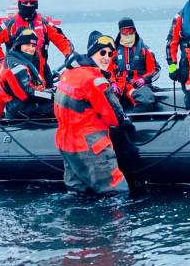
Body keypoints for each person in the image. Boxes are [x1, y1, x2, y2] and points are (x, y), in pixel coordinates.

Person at [53, 31, 132, 194]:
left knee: (77, 193)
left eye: (110, 54)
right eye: (102, 52)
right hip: (90, 146)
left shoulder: (67, 74)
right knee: (117, 192)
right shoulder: (95, 80)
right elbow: (114, 117)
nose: (106, 57)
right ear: (92, 52)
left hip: (66, 145)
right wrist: (125, 122)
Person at [0, 0, 74, 86]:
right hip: (18, 73)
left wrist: (69, 56)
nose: (28, 5)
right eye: (25, 3)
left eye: (31, 3)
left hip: (42, 72)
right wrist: (3, 61)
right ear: (20, 4)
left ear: (35, 4)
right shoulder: (9, 26)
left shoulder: (45, 25)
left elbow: (62, 40)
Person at [0, 29, 52, 119]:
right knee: (63, 105)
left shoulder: (20, 60)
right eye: (27, 45)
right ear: (19, 45)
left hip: (20, 105)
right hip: (20, 108)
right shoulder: (16, 65)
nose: (31, 49)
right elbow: (27, 94)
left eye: (33, 46)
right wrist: (53, 95)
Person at [110, 17, 160, 112]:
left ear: (134, 30)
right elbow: (108, 71)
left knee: (146, 101)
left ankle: (134, 121)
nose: (128, 33)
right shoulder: (113, 51)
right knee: (105, 102)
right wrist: (112, 83)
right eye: (125, 30)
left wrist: (144, 80)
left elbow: (155, 70)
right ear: (120, 32)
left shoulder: (145, 50)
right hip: (118, 87)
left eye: (130, 30)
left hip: (136, 86)